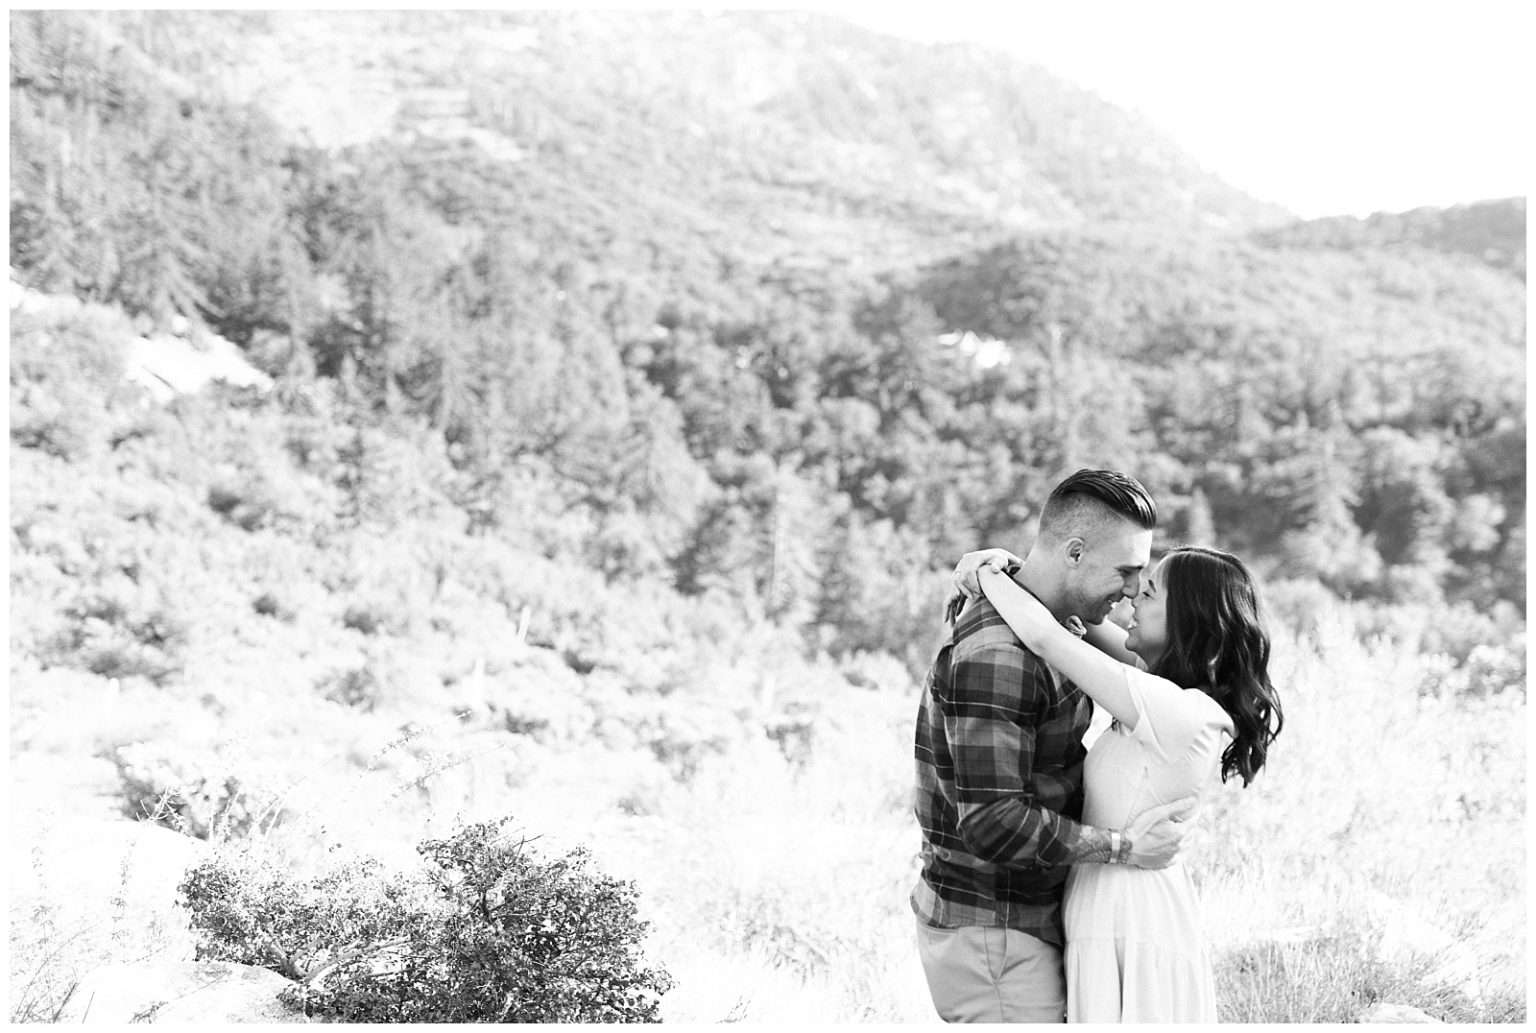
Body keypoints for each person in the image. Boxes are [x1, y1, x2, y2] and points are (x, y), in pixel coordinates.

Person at [953, 541, 1284, 1022]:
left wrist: (985, 575)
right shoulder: (1161, 693)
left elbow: (1047, 637)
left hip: (1135, 917)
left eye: (1148, 594)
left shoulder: (1176, 711)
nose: (1132, 599)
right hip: (1111, 908)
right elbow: (1079, 619)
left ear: (1189, 621)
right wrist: (1010, 567)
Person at [912, 469, 1196, 1024]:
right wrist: (1123, 848)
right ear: (1073, 552)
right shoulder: (1001, 655)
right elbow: (994, 822)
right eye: (1126, 571)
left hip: (1025, 922)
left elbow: (1145, 672)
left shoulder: (1058, 623)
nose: (1135, 589)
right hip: (993, 934)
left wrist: (998, 569)